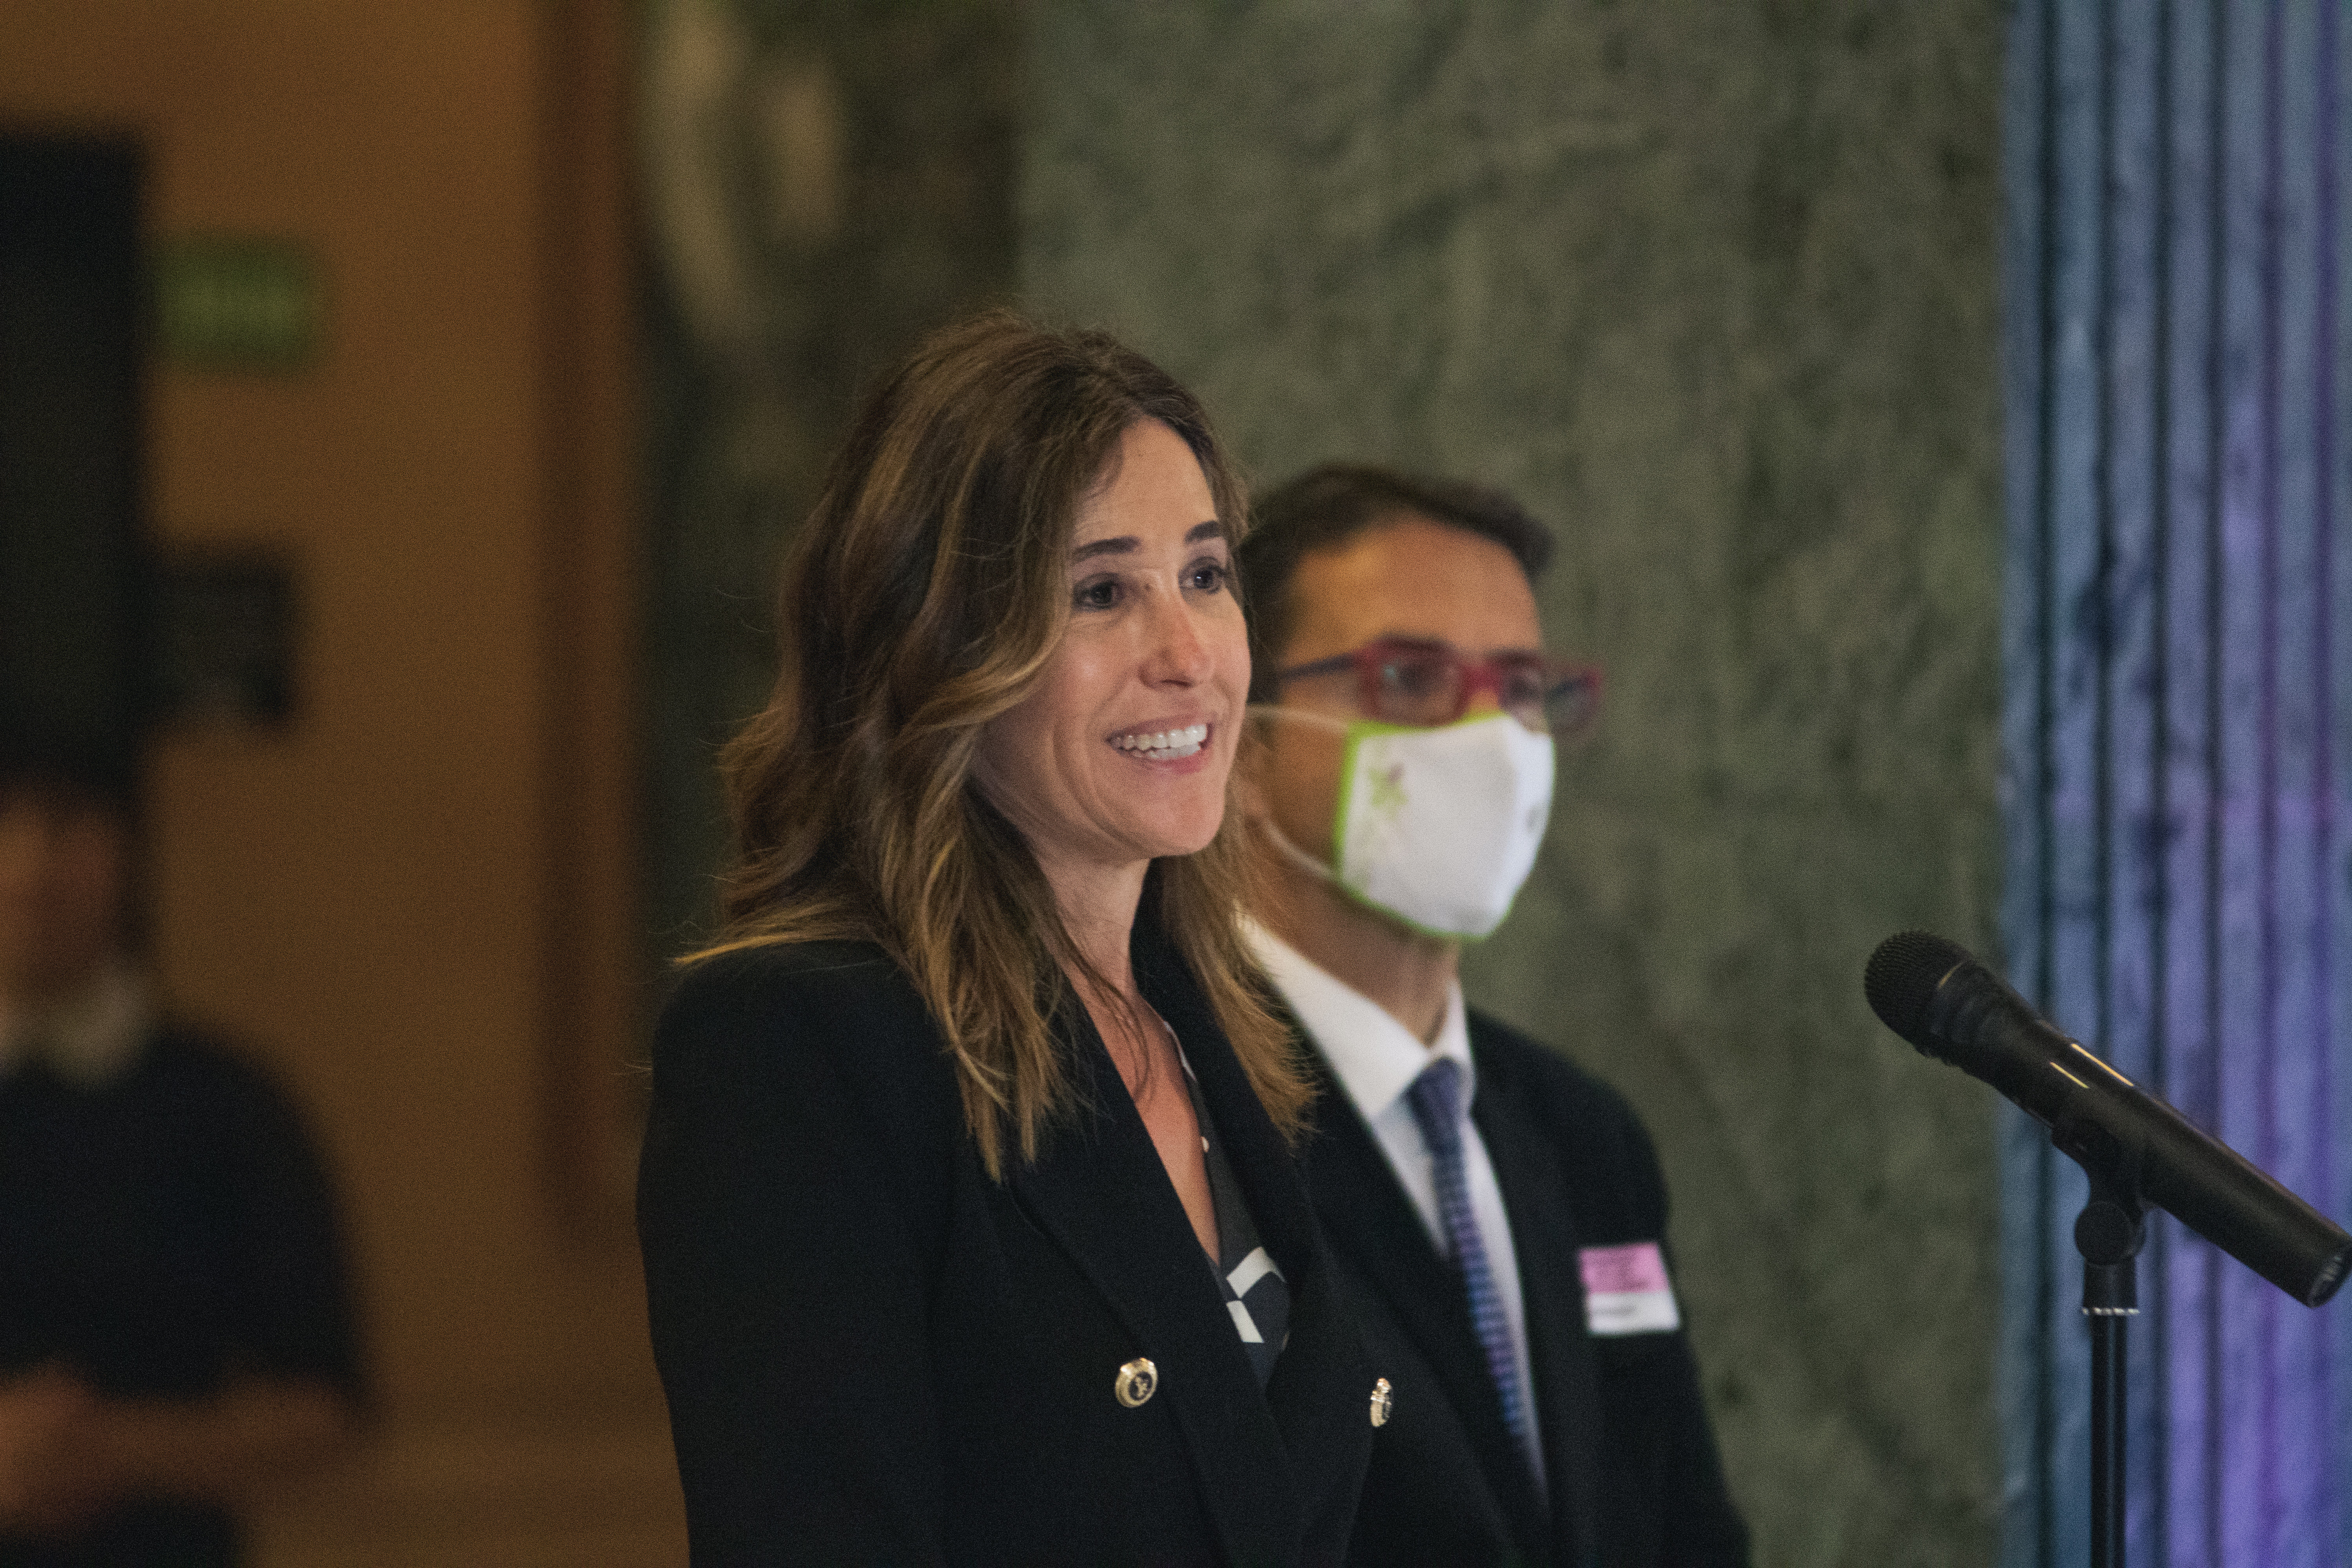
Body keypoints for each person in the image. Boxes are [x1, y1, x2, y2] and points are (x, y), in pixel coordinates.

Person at [637, 314, 1383, 1566]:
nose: (1187, 654)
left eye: (1206, 575)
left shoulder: (1231, 1034)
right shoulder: (801, 1047)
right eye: (1099, 593)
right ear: (936, 654)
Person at [1235, 466, 1749, 1568]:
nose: (1489, 738)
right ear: (1241, 740)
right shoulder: (1174, 1112)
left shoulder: (1581, 1135)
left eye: (1521, 689)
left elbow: (1683, 1534)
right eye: (1410, 678)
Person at [0, 721, 366, 1567]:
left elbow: (325, 1401)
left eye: (62, 823)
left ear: (121, 848)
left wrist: (117, 1447)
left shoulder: (222, 1102)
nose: (29, 865)